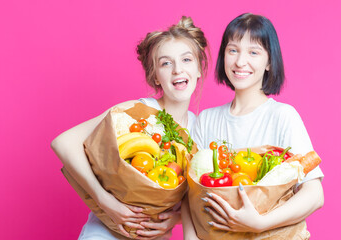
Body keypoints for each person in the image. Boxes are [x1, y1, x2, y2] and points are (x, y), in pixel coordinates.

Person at [51, 16, 209, 240]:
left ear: (199, 69)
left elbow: (202, 198)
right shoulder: (137, 110)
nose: (177, 70)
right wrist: (106, 202)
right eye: (166, 63)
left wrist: (175, 219)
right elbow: (63, 142)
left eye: (186, 60)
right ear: (155, 77)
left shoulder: (200, 129)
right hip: (105, 233)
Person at [182, 13, 324, 239]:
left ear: (269, 62)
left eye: (254, 52)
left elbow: (315, 194)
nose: (240, 62)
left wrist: (260, 223)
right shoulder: (206, 120)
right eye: (233, 50)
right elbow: (190, 193)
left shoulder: (282, 116)